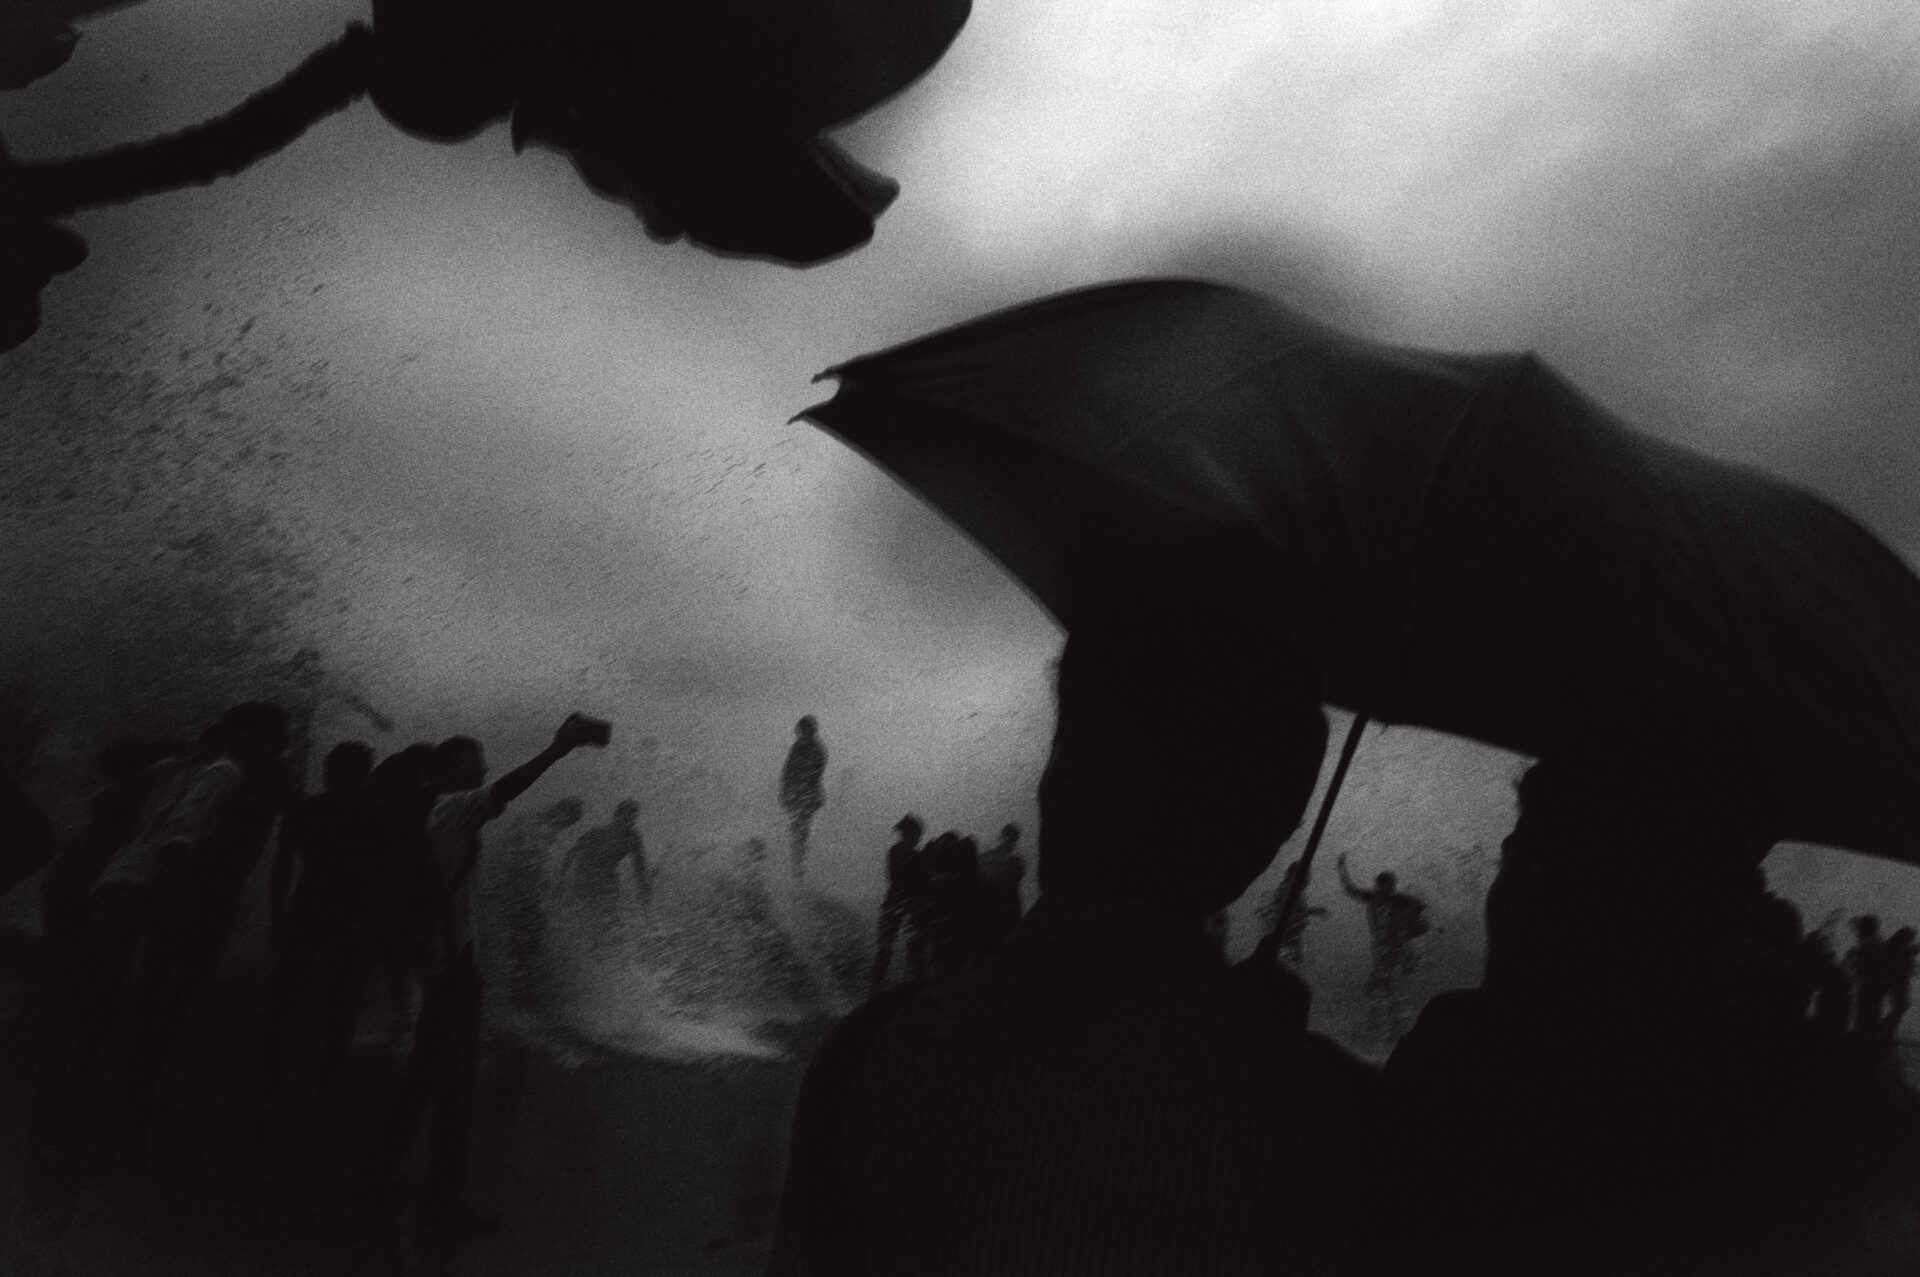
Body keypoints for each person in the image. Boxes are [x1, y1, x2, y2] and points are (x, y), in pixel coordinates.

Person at [768, 590, 1369, 1276]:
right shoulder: (1320, 1126)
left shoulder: (868, 1059)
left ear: (1062, 781)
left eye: (1069, 741)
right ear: (1274, 827)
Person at [359, 712, 607, 1232]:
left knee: (428, 1078)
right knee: (453, 1085)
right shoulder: (454, 809)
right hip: (451, 972)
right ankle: (440, 1204)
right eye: (472, 767)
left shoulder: (428, 815)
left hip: (439, 965)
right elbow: (508, 790)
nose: (481, 774)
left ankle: (380, 1175)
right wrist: (558, 747)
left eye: (481, 767)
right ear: (446, 771)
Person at [90, 701, 293, 1155]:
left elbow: (298, 817)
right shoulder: (209, 769)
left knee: (172, 998)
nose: (269, 745)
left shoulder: (270, 776)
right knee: (150, 993)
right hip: (180, 892)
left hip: (211, 899)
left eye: (273, 738)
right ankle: (117, 1105)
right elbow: (115, 762)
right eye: (256, 736)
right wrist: (191, 746)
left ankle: (133, 1096)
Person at [261, 741, 385, 1097]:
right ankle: (312, 1070)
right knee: (318, 990)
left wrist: (278, 913)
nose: (363, 780)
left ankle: (284, 1064)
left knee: (305, 989)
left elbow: (284, 865)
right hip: (333, 911)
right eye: (360, 772)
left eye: (364, 773)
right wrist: (277, 913)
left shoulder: (316, 810)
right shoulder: (364, 813)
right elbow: (378, 871)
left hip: (320, 909)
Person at [495, 796, 584, 1009]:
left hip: (525, 890)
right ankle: (517, 992)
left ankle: (520, 989)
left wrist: (546, 885)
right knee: (523, 940)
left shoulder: (538, 821)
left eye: (569, 824)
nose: (565, 827)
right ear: (561, 811)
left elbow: (533, 859)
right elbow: (519, 855)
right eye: (568, 821)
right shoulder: (539, 824)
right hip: (519, 889)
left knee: (528, 940)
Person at [1336, 853, 1427, 1040]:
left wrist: (1408, 921)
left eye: (1391, 887)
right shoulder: (1373, 897)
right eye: (1386, 887)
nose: (1389, 891)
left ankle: (1387, 1030)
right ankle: (1387, 1029)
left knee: (1383, 986)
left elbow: (1420, 906)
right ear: (1379, 887)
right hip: (1381, 949)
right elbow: (1350, 890)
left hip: (1395, 949)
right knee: (1382, 987)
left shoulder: (1398, 899)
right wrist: (1342, 869)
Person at [559, 797, 647, 952]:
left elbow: (639, 866)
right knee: (582, 919)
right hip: (585, 879)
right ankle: (575, 949)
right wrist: (561, 880)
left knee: (609, 922)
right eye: (627, 815)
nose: (630, 820)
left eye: (634, 816)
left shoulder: (632, 837)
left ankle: (603, 951)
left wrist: (644, 889)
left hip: (606, 883)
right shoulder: (598, 833)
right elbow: (571, 854)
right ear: (617, 815)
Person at [871, 814, 925, 995]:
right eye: (917, 834)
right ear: (910, 834)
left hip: (896, 904)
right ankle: (913, 984)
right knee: (904, 946)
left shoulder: (898, 852)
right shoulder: (904, 853)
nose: (919, 839)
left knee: (887, 948)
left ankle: (878, 987)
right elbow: (908, 878)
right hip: (903, 905)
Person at [779, 716, 827, 881]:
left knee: (800, 833)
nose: (800, 733)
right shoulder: (797, 748)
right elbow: (787, 771)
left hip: (806, 798)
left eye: (804, 730)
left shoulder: (817, 750)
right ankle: (796, 868)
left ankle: (799, 870)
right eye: (800, 730)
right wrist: (785, 791)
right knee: (796, 832)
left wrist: (796, 788)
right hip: (797, 797)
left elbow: (813, 774)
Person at [1257, 860, 1329, 967]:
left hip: (1289, 937)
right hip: (1286, 937)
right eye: (1306, 875)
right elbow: (1287, 912)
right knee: (1290, 963)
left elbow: (1297, 910)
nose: (1308, 878)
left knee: (1294, 962)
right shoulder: (1288, 890)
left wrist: (1312, 911)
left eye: (1308, 875)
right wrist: (1310, 912)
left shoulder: (1294, 891)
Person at [976, 822, 1026, 955]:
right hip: (1002, 910)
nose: (1011, 841)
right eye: (1012, 837)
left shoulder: (986, 856)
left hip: (996, 911)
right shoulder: (1014, 861)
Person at [1846, 914, 1886, 1039]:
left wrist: (1854, 958)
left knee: (1865, 1013)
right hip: (1873, 985)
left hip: (1869, 985)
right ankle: (1867, 1039)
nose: (1858, 931)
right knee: (1869, 1014)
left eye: (1861, 928)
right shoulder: (1874, 941)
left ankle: (1863, 1041)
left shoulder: (1869, 943)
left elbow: (1864, 964)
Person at [1877, 925, 1916, 1046]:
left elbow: (1910, 952)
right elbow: (1903, 959)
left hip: (1898, 982)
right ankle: (1884, 1032)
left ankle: (1884, 1031)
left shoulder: (1897, 947)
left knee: (1900, 1008)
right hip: (1898, 982)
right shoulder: (1897, 949)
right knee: (1901, 1007)